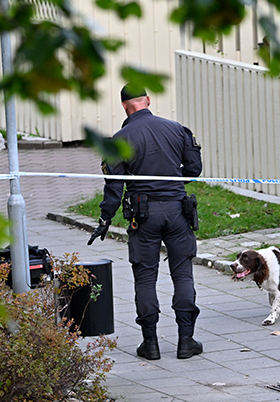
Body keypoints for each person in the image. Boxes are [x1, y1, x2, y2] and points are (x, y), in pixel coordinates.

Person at [88, 85, 203, 360]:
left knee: (145, 277)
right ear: (148, 101)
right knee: (183, 274)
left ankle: (150, 344)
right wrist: (170, 184)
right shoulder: (177, 129)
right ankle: (186, 341)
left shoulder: (120, 139)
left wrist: (105, 219)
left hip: (143, 215)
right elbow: (194, 169)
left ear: (124, 106)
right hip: (177, 210)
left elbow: (114, 187)